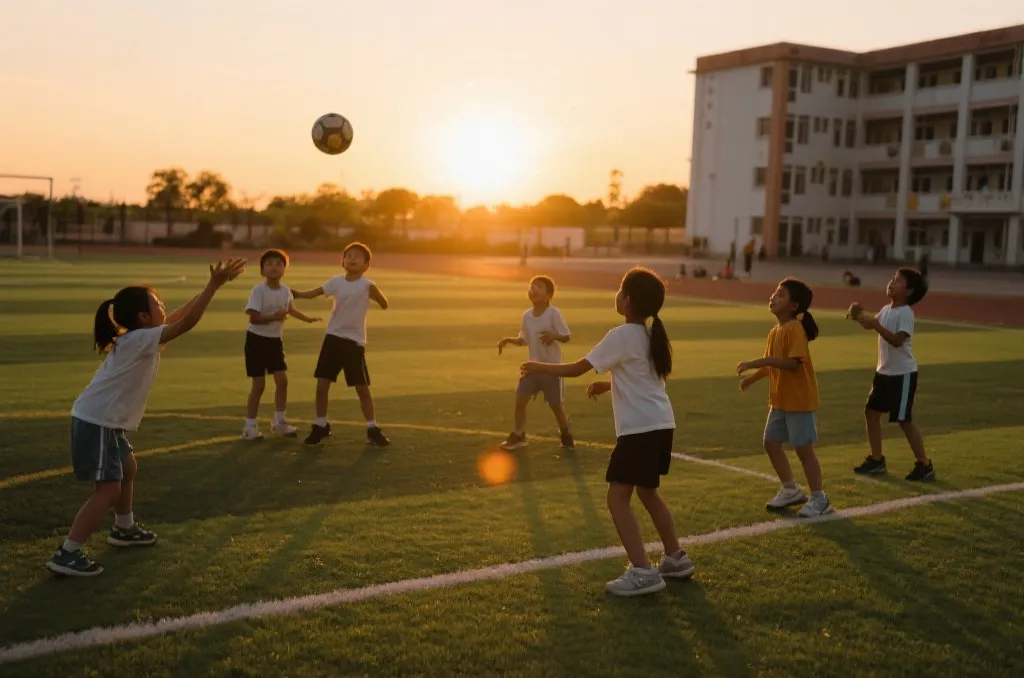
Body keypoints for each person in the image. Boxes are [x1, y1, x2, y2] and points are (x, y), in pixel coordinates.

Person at [47, 258, 247, 576]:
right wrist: (211, 286)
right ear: (143, 316)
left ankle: (123, 528)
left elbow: (181, 315)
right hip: (97, 422)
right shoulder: (139, 340)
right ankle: (67, 553)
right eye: (158, 304)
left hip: (105, 421)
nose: (165, 308)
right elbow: (186, 323)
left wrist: (214, 286)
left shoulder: (140, 335)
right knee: (108, 490)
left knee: (128, 466)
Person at [521, 267, 693, 597]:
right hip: (660, 424)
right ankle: (675, 558)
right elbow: (642, 377)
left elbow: (575, 368)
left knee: (617, 497)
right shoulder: (649, 334)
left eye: (619, 290)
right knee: (647, 492)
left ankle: (643, 571)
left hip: (639, 429)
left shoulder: (621, 335)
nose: (616, 295)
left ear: (627, 300)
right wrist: (608, 383)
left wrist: (537, 365)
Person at [737, 278, 834, 518]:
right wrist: (752, 378)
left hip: (799, 401)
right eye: (774, 293)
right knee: (770, 443)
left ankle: (820, 498)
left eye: (780, 294)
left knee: (804, 450)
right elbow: (772, 365)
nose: (773, 297)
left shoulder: (795, 329)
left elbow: (791, 364)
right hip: (780, 401)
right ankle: (790, 489)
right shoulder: (776, 331)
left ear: (793, 305)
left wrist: (756, 362)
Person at [293, 242, 390, 447]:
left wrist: (377, 294)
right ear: (342, 261)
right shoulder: (336, 282)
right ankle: (321, 425)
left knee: (361, 388)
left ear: (366, 265)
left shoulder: (367, 285)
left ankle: (372, 428)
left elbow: (384, 303)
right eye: (348, 256)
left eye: (357, 257)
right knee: (322, 385)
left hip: (354, 342)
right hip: (333, 338)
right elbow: (315, 292)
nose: (352, 259)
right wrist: (297, 293)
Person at [848, 268, 934, 481]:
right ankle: (877, 460)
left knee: (904, 420)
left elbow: (897, 340)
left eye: (898, 281)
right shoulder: (887, 309)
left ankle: (924, 464)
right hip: (884, 372)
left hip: (902, 374)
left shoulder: (905, 313)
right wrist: (858, 315)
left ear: (909, 291)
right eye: (892, 279)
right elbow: (872, 325)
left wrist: (876, 324)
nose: (892, 282)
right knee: (871, 412)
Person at [242, 249, 320, 440]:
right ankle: (249, 426)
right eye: (269, 263)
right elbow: (253, 318)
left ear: (285, 269)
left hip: (275, 342)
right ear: (262, 270)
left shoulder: (286, 291)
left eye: (279, 263)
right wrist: (273, 317)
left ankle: (279, 422)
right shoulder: (258, 290)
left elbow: (290, 309)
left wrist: (307, 319)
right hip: (256, 341)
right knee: (258, 386)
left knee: (282, 382)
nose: (274, 267)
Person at [496, 276, 574, 450]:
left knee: (556, 406)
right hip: (532, 367)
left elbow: (566, 336)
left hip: (551, 368)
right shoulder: (526, 316)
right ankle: (518, 434)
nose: (533, 289)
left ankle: (565, 433)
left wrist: (554, 336)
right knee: (520, 399)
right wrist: (508, 340)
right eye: (531, 287)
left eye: (539, 287)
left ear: (548, 295)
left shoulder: (553, 313)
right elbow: (523, 340)